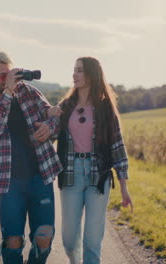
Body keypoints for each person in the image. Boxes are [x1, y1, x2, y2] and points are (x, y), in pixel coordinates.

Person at [0, 49, 63, 264]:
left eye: (9, 73)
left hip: (40, 176)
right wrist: (7, 94)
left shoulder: (28, 91)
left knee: (44, 237)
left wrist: (48, 126)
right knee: (12, 241)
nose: (7, 79)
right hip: (10, 182)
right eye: (1, 75)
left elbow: (52, 115)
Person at [48, 56, 133, 264]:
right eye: (74, 69)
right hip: (70, 174)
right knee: (69, 240)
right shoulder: (66, 106)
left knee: (93, 241)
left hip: (98, 176)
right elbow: (49, 135)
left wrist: (124, 187)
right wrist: (49, 116)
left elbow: (117, 147)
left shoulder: (105, 108)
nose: (74, 74)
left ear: (91, 75)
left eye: (79, 70)